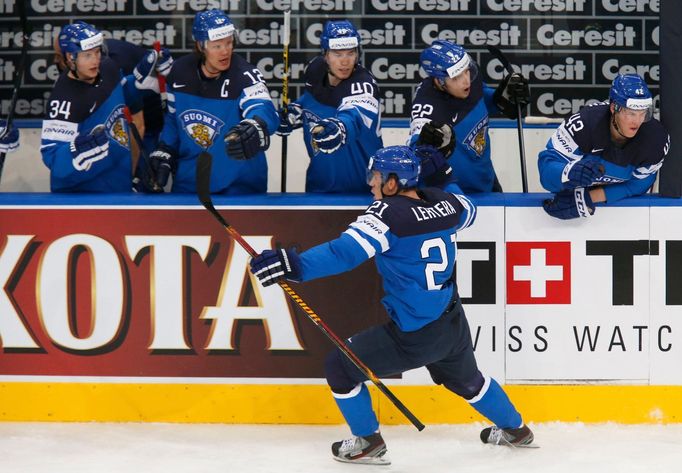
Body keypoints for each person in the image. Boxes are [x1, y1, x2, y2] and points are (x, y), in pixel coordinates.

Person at [248, 145, 534, 465]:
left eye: (377, 177)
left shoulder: (387, 215)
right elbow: (469, 207)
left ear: (393, 182)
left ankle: (368, 441)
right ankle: (516, 429)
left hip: (415, 332)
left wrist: (294, 265)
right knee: (468, 381)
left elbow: (345, 253)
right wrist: (447, 177)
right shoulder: (447, 204)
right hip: (451, 319)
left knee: (340, 369)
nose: (371, 183)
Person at [149, 9, 278, 194]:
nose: (225, 51)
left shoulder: (246, 75)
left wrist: (256, 125)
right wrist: (165, 149)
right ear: (201, 46)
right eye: (217, 45)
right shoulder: (179, 73)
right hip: (190, 185)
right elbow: (173, 119)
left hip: (239, 188)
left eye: (229, 43)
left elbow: (263, 108)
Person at [53, 32, 172, 192]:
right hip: (135, 121)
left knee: (145, 185)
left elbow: (138, 124)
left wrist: (128, 178)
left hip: (156, 120)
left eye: (58, 57)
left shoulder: (110, 67)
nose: (55, 61)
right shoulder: (88, 70)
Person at [540, 73, 670, 219]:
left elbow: (637, 186)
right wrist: (568, 173)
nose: (638, 121)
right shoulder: (583, 124)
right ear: (614, 108)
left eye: (643, 114)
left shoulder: (656, 140)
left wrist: (587, 198)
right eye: (631, 113)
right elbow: (546, 171)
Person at [408, 40, 530, 194]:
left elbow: (483, 101)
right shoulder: (426, 109)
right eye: (456, 77)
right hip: (451, 194)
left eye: (466, 70)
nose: (466, 80)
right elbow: (415, 155)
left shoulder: (471, 80)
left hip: (487, 182)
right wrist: (423, 148)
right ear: (439, 81)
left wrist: (504, 98)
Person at [277, 20, 383, 193]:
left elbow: (355, 116)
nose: (345, 61)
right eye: (337, 54)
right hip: (317, 186)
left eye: (350, 53)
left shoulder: (363, 84)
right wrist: (295, 112)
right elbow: (311, 100)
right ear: (325, 55)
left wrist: (340, 128)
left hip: (362, 190)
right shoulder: (315, 72)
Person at [40, 21, 147, 192]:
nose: (95, 61)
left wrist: (140, 84)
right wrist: (76, 151)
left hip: (118, 183)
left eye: (97, 52)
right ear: (70, 57)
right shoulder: (62, 100)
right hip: (83, 195)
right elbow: (52, 158)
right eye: (87, 55)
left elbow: (122, 97)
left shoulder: (108, 67)